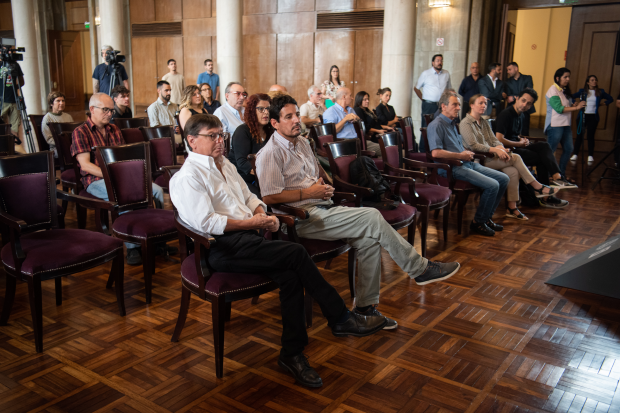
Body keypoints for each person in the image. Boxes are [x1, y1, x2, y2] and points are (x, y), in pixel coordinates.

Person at [170, 114, 387, 388]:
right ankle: (341, 317)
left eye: (221, 134)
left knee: (290, 275)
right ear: (192, 140)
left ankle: (291, 354)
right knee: (295, 254)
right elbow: (207, 223)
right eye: (212, 135)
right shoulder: (187, 177)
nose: (220, 140)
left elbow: (249, 196)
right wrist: (253, 222)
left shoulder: (223, 164)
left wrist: (262, 212)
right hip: (220, 247)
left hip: (248, 238)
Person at [256, 93, 461, 329]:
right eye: (289, 117)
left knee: (368, 240)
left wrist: (323, 184)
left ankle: (365, 308)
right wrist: (308, 194)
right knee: (373, 216)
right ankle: (419, 268)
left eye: (297, 115)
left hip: (322, 206)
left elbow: (314, 175)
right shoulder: (270, 153)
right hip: (299, 218)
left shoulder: (302, 141)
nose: (296, 120)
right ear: (274, 123)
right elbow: (269, 197)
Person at [71, 93, 167, 266]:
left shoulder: (114, 130)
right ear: (92, 109)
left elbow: (123, 157)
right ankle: (132, 247)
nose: (110, 114)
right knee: (124, 195)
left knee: (157, 191)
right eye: (106, 110)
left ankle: (158, 241)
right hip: (96, 181)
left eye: (111, 110)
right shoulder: (80, 132)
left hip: (121, 176)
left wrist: (130, 175)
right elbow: (85, 166)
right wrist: (114, 176)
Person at [460, 94, 560, 220]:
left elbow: (494, 140)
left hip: (492, 156)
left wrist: (501, 148)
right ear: (471, 105)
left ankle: (511, 208)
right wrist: (496, 149)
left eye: (485, 103)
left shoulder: (484, 122)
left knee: (513, 171)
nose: (484, 106)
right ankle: (538, 187)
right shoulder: (465, 123)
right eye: (480, 103)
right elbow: (473, 145)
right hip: (479, 160)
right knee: (517, 158)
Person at [428, 90, 509, 236]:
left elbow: (456, 146)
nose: (459, 108)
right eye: (455, 105)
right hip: (452, 168)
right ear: (443, 106)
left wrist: (465, 152)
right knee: (493, 185)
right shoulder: (436, 125)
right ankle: (478, 222)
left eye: (459, 105)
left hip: (466, 163)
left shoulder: (452, 123)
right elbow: (436, 153)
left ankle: (486, 218)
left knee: (504, 179)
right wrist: (460, 155)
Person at [495, 88, 576, 209]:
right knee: (542, 158)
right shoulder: (506, 114)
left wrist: (523, 140)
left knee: (544, 145)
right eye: (523, 100)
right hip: (508, 151)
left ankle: (556, 176)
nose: (524, 105)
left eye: (528, 103)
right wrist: (519, 144)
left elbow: (515, 135)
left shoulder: (521, 115)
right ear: (517, 98)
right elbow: (499, 139)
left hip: (517, 146)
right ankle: (546, 194)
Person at [228, 93, 273, 197]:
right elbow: (243, 163)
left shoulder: (271, 130)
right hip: (243, 179)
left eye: (268, 109)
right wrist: (268, 174)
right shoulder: (242, 131)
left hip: (265, 177)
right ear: (252, 111)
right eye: (261, 109)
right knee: (265, 197)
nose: (266, 112)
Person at [544, 68, 586, 178]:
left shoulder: (564, 90)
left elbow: (568, 104)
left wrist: (574, 104)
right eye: (565, 77)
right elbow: (559, 108)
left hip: (565, 125)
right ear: (558, 78)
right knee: (550, 151)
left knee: (569, 149)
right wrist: (576, 107)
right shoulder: (553, 90)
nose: (568, 79)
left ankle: (561, 174)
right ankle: (546, 174)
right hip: (555, 125)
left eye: (568, 77)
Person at [323, 87, 382, 156]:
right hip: (345, 144)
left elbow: (360, 125)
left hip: (359, 141)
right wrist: (345, 119)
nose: (352, 98)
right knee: (385, 150)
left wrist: (357, 119)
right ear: (344, 97)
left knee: (385, 148)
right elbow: (330, 131)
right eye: (350, 95)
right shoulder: (330, 111)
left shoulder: (351, 110)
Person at [570, 75, 614, 163]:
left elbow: (611, 99)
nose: (594, 81)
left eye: (595, 80)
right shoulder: (582, 91)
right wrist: (575, 102)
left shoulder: (600, 92)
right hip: (583, 116)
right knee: (579, 136)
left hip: (593, 117)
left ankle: (590, 155)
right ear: (588, 82)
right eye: (592, 80)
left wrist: (603, 104)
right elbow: (571, 96)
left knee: (590, 136)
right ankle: (575, 154)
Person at [415, 54, 452, 130]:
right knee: (426, 127)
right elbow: (416, 88)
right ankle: (423, 142)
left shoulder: (446, 73)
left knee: (440, 127)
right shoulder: (426, 73)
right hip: (428, 105)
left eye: (441, 61)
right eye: (437, 61)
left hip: (441, 106)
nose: (440, 63)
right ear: (433, 62)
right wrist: (423, 99)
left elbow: (449, 89)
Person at [147, 80, 182, 144]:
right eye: (166, 90)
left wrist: (180, 128)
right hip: (163, 138)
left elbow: (180, 122)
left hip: (176, 136)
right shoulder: (153, 107)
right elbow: (155, 128)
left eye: (170, 90)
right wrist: (171, 129)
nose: (169, 93)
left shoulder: (175, 106)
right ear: (158, 90)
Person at [505, 62, 535, 136]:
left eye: (509, 69)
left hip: (526, 107)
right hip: (513, 108)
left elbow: (528, 93)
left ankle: (525, 145)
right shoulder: (507, 82)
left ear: (516, 69)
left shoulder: (527, 78)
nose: (508, 72)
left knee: (525, 130)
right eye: (507, 70)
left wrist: (514, 97)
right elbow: (509, 97)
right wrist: (522, 96)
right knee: (511, 129)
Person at [42, 91, 74, 157]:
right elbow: (49, 139)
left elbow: (73, 133)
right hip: (56, 148)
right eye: (58, 101)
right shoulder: (47, 118)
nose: (61, 103)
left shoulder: (68, 116)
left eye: (63, 101)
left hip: (70, 145)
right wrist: (65, 143)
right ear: (51, 103)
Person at [0, 58, 24, 142]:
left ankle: (13, 147)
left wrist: (13, 87)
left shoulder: (15, 65)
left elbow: (22, 81)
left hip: (14, 100)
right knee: (1, 127)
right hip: (2, 101)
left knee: (15, 127)